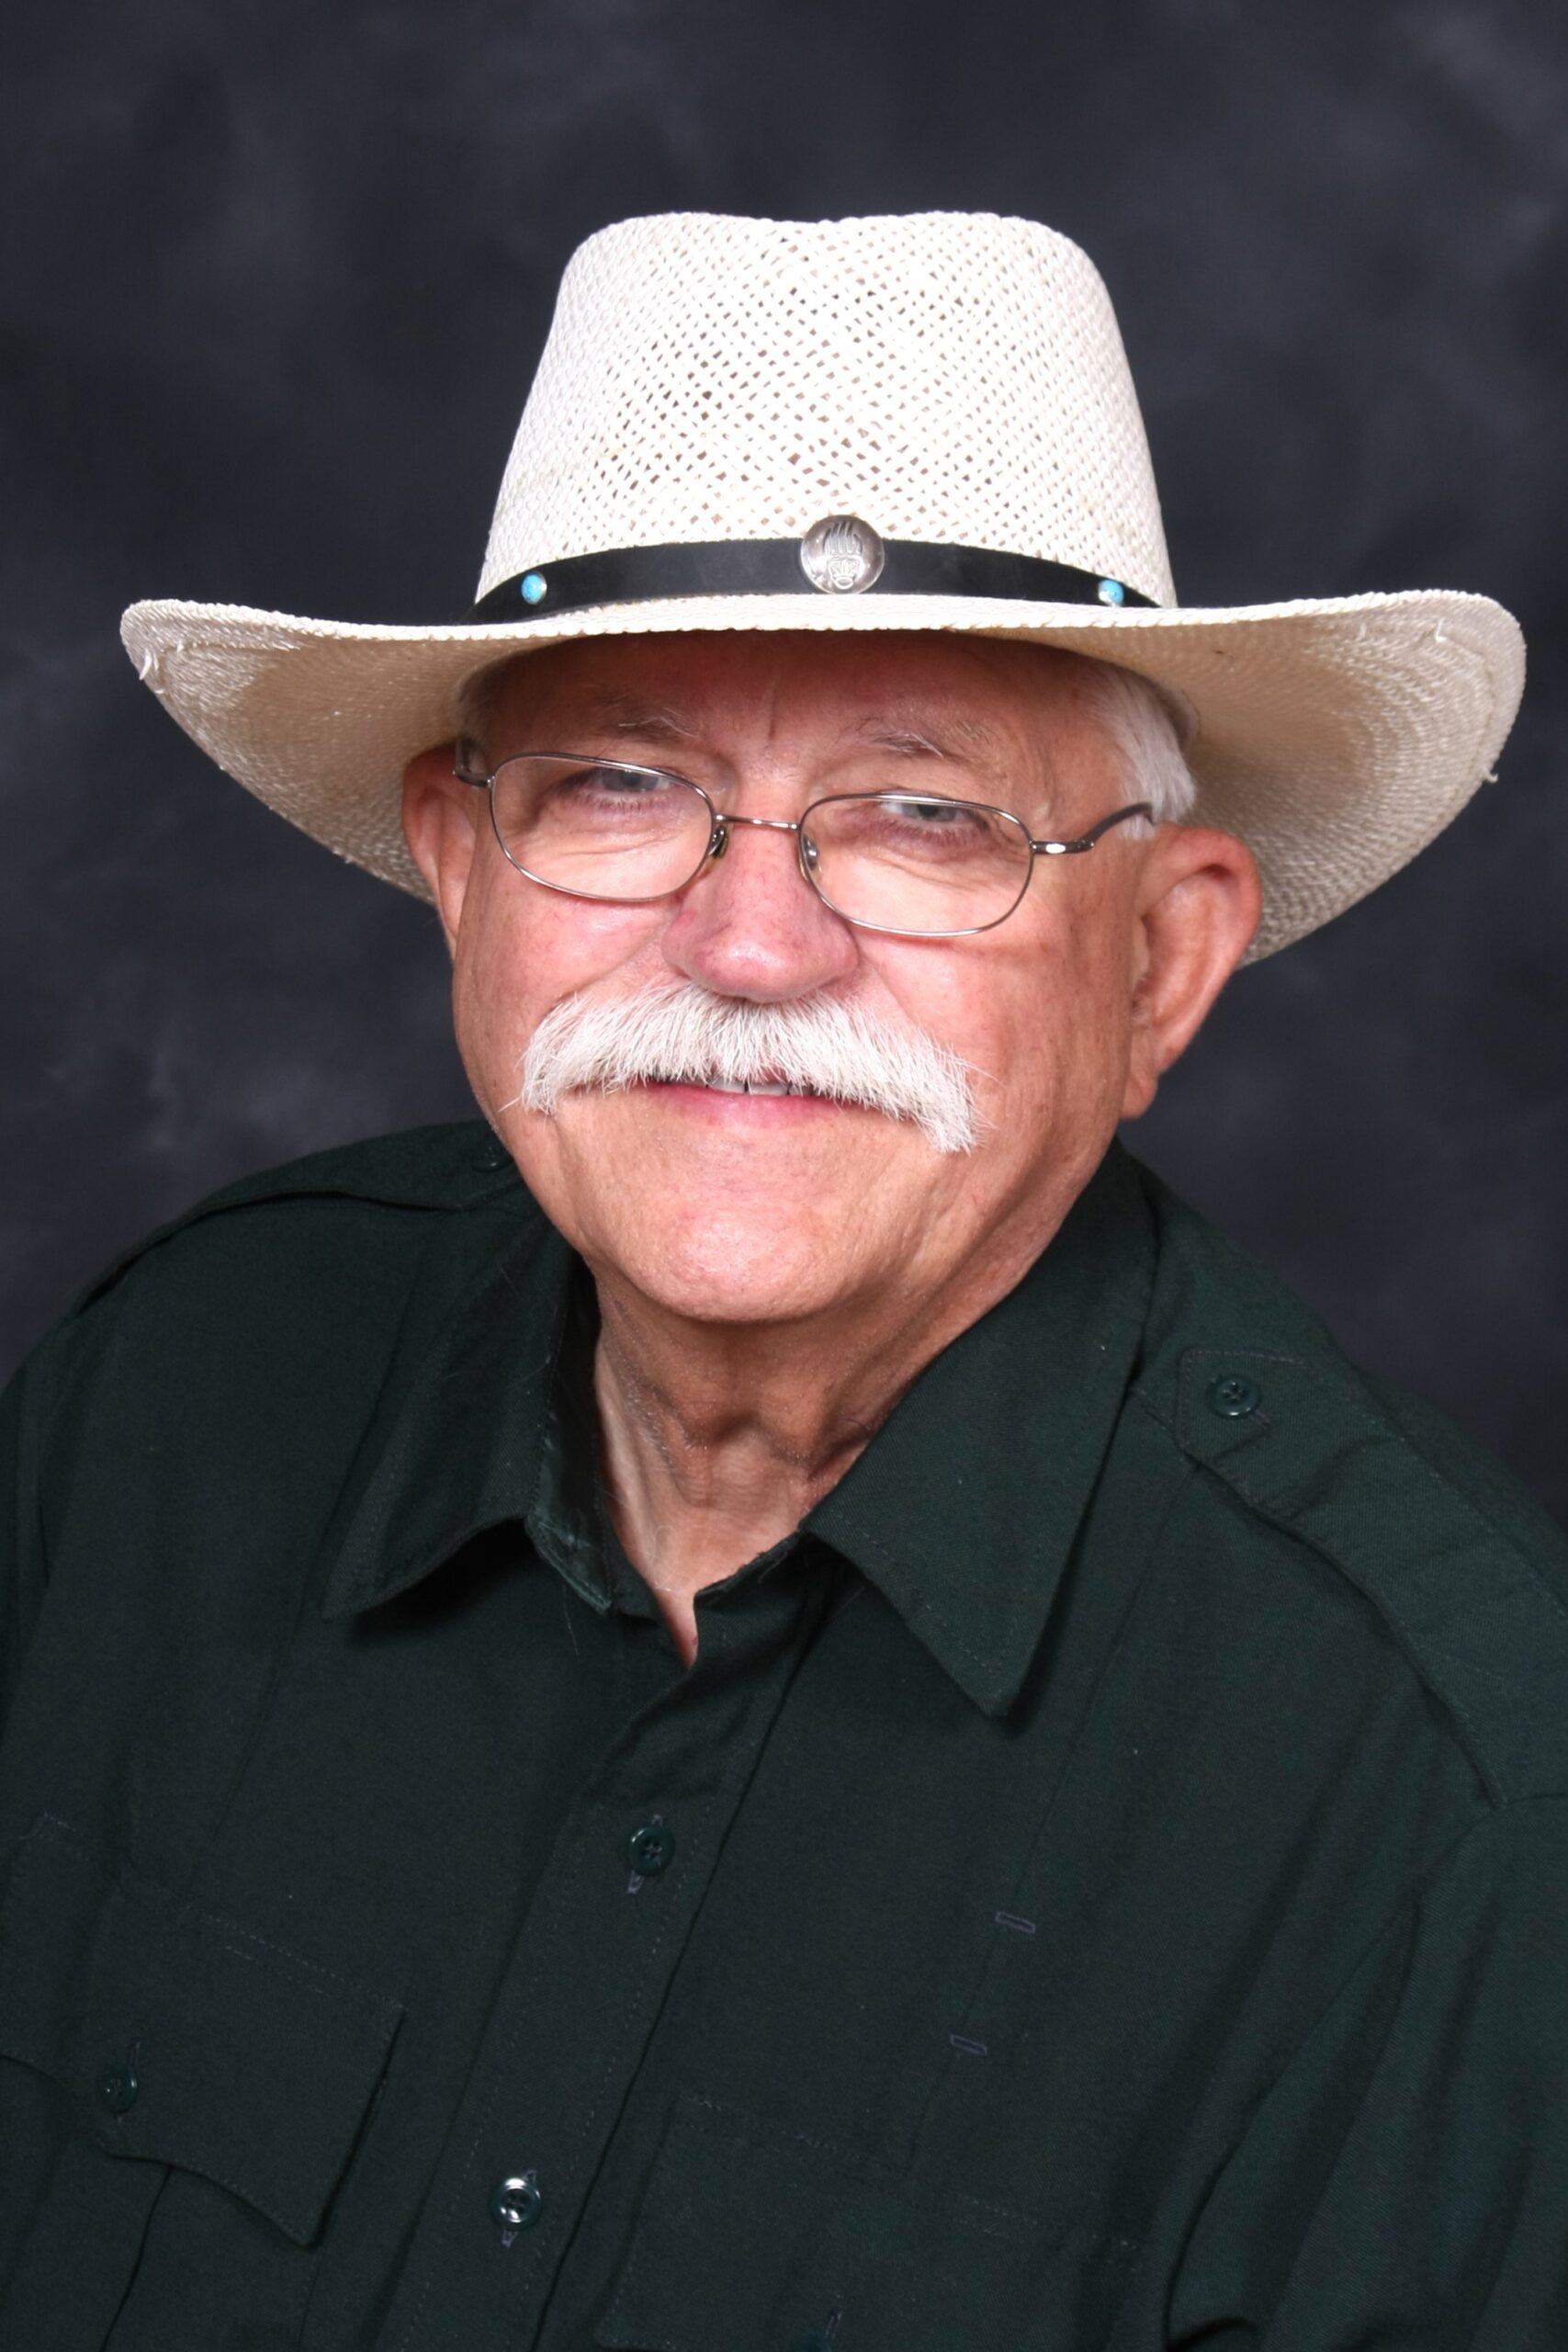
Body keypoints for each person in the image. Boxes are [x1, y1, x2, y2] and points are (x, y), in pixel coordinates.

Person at [1, 209, 1561, 2352]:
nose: (747, 945)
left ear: (1161, 956)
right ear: (461, 872)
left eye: (921, 812)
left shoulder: (1463, 1814)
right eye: (620, 787)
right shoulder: (161, 1402)